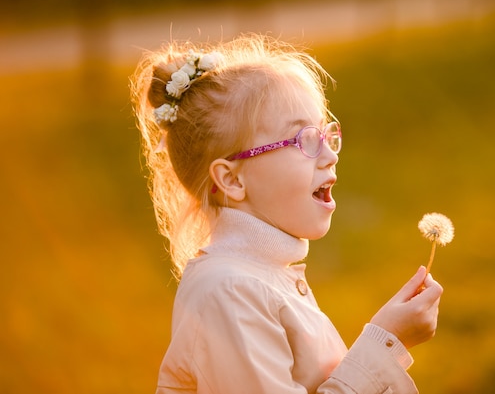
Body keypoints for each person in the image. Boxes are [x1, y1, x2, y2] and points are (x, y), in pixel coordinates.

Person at [130, 33, 443, 394]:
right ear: (232, 180)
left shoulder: (261, 277)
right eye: (303, 140)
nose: (330, 155)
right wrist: (384, 341)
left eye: (326, 135)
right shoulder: (229, 292)